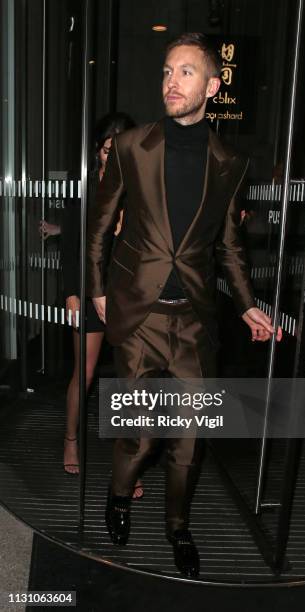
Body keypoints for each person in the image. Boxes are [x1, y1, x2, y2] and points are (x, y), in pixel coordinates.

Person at [86, 33, 282, 578]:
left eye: (187, 73)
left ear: (212, 87)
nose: (172, 81)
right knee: (140, 431)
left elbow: (229, 246)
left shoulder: (230, 162)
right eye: (168, 71)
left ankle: (178, 525)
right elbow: (100, 225)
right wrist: (98, 287)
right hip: (141, 316)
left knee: (191, 439)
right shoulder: (131, 146)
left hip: (195, 319)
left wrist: (246, 305)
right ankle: (119, 495)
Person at [62, 112, 144, 499]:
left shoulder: (138, 188)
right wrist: (71, 293)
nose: (114, 157)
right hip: (88, 291)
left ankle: (127, 463)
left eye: (121, 150)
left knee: (131, 380)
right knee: (87, 372)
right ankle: (70, 440)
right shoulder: (85, 190)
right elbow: (71, 246)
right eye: (109, 149)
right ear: (98, 151)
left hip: (127, 295)